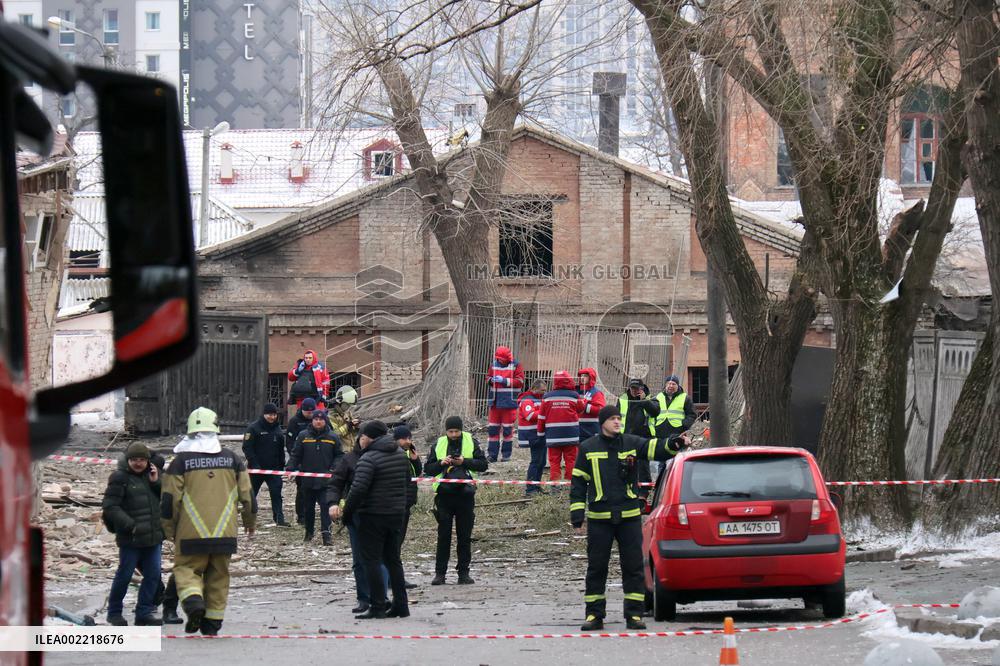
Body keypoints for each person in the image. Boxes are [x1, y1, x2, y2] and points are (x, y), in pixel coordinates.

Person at [571, 405, 688, 632]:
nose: (617, 422)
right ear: (602, 422)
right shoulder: (587, 448)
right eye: (613, 419)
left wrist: (674, 443)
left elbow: (654, 448)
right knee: (597, 568)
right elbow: (578, 484)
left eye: (619, 418)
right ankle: (594, 615)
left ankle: (634, 615)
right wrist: (577, 516)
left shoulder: (631, 443)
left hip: (629, 518)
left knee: (633, 567)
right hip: (599, 519)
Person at [161, 407, 256, 636]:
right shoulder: (233, 460)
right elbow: (248, 497)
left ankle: (194, 603)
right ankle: (212, 623)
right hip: (226, 534)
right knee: (219, 576)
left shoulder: (180, 462)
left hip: (190, 533)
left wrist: (168, 529)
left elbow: (168, 502)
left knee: (186, 569)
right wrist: (249, 522)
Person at [341, 421, 411, 619]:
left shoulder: (369, 458)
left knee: (370, 561)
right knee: (393, 560)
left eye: (362, 436)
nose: (360, 440)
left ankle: (378, 604)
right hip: (396, 515)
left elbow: (358, 489)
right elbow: (407, 483)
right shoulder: (399, 454)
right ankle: (401, 604)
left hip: (372, 516)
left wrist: (348, 514)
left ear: (368, 437)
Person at [101, 442, 164, 626]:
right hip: (131, 538)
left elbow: (165, 498)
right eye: (134, 460)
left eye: (142, 460)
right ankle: (114, 612)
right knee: (125, 575)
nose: (138, 463)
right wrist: (130, 525)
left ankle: (144, 612)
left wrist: (156, 481)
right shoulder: (119, 478)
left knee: (153, 575)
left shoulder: (152, 477)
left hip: (153, 537)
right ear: (128, 460)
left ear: (148, 461)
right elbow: (110, 506)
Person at [327, 430, 389, 615]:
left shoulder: (387, 457)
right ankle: (363, 598)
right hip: (356, 514)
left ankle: (381, 597)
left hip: (380, 514)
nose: (366, 441)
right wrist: (333, 503)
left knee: (380, 558)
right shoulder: (349, 459)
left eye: (370, 438)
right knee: (359, 560)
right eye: (363, 437)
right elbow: (336, 482)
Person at [424, 416, 489, 585]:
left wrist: (464, 462)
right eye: (450, 431)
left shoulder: (470, 441)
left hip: (465, 496)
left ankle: (464, 573)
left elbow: (483, 465)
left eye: (456, 431)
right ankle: (440, 574)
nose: (453, 435)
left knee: (464, 536)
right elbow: (428, 469)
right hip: (444, 496)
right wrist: (441, 463)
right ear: (446, 431)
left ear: (461, 430)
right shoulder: (438, 444)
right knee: (443, 536)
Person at [286, 409, 343, 546]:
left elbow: (339, 455)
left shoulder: (332, 437)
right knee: (308, 509)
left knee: (325, 508)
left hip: (325, 481)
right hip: (307, 480)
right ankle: (309, 533)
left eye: (321, 419)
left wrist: (334, 467)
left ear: (325, 421)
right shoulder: (303, 436)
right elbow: (296, 454)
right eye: (316, 419)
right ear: (312, 421)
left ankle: (326, 535)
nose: (318, 422)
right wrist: (290, 468)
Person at [242, 403, 289, 527]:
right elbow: (247, 448)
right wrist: (254, 464)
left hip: (273, 470)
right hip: (256, 470)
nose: (272, 417)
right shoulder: (253, 428)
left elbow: (280, 450)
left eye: (274, 415)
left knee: (277, 495)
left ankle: (279, 519)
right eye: (269, 414)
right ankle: (248, 519)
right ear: (264, 414)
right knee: (251, 495)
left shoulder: (278, 429)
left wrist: (281, 466)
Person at [617, 378, 661, 499]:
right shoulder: (623, 399)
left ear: (642, 389)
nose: (634, 391)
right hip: (626, 437)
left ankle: (644, 493)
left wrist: (644, 401)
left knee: (643, 466)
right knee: (626, 464)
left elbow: (655, 412)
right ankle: (627, 491)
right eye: (632, 388)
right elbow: (616, 416)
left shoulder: (651, 398)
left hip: (644, 437)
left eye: (637, 388)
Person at [650, 375, 696, 479]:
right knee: (661, 462)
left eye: (673, 384)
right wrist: (653, 429)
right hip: (660, 435)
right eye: (669, 384)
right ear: (665, 385)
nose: (671, 386)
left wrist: (685, 425)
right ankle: (661, 484)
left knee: (676, 460)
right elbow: (651, 414)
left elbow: (692, 414)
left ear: (677, 385)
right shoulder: (657, 397)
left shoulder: (685, 398)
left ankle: (676, 481)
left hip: (677, 434)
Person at [538, 370, 582, 483]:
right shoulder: (574, 395)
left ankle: (555, 484)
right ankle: (570, 483)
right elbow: (581, 409)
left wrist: (540, 433)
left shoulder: (547, 397)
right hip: (571, 436)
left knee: (554, 461)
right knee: (571, 460)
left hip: (553, 436)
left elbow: (541, 417)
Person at [485, 345, 524, 462]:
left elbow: (520, 382)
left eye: (502, 359)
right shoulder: (493, 364)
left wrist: (504, 381)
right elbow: (487, 378)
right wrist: (491, 380)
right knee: (493, 430)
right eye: (498, 358)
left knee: (507, 431)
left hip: (509, 403)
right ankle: (492, 455)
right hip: (495, 403)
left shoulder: (516, 365)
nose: (500, 361)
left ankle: (506, 456)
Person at [286, 397, 318, 525]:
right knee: (302, 490)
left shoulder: (318, 420)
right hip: (301, 462)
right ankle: (301, 516)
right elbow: (289, 443)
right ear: (303, 410)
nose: (311, 415)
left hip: (316, 460)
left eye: (312, 412)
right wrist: (295, 461)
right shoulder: (295, 422)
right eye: (308, 413)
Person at [517, 379, 547, 496]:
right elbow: (529, 415)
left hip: (540, 434)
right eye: (542, 390)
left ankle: (536, 485)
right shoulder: (527, 400)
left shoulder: (540, 399)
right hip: (532, 435)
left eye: (545, 390)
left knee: (542, 462)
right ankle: (530, 489)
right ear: (534, 389)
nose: (544, 392)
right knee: (536, 461)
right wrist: (545, 412)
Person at [576, 368, 606, 441]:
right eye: (581, 376)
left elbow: (601, 410)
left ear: (591, 377)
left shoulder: (596, 393)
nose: (582, 378)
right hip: (577, 430)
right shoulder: (576, 391)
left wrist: (585, 407)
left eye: (585, 376)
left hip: (590, 431)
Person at [329, 385, 361, 450]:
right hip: (340, 452)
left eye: (350, 405)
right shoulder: (331, 415)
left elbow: (352, 433)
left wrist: (356, 426)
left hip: (351, 450)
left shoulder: (347, 412)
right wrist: (348, 426)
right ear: (340, 402)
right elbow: (334, 434)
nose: (349, 408)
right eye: (347, 405)